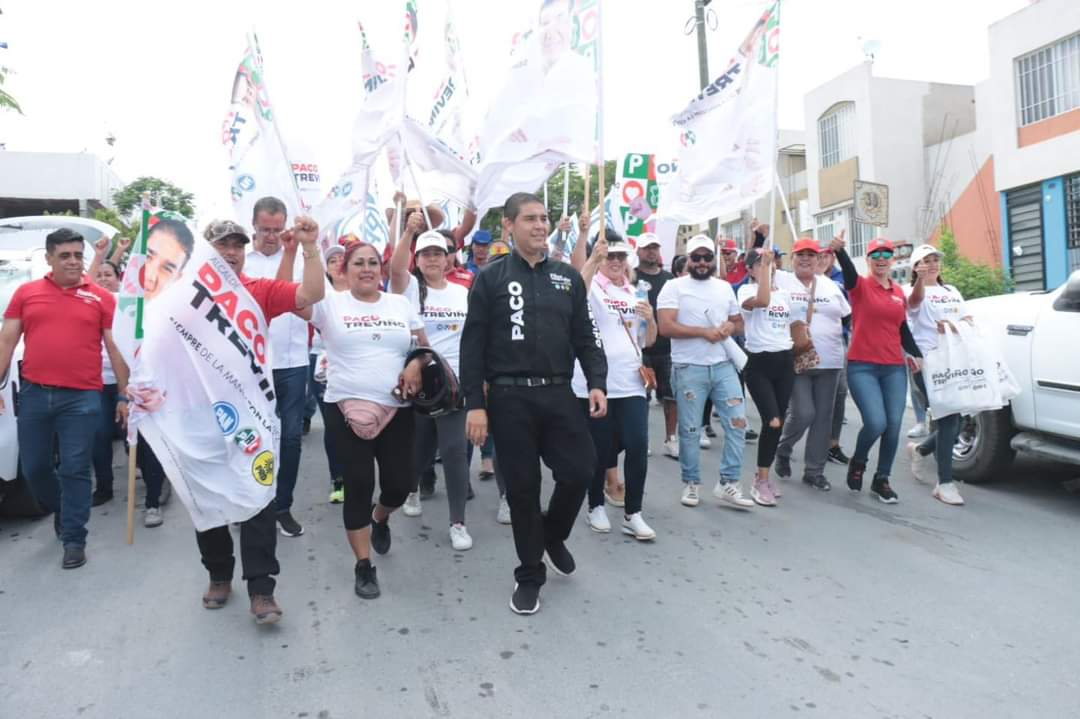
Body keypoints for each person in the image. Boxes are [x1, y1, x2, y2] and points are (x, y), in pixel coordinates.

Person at [461, 191, 607, 615]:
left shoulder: (566, 277)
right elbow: (472, 347)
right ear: (509, 225)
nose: (540, 225)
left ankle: (553, 533)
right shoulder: (488, 278)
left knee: (580, 469)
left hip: (559, 393)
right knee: (523, 489)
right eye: (530, 219)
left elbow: (586, 336)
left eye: (544, 218)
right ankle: (530, 574)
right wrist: (476, 404)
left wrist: (596, 381)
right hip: (508, 398)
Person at [192, 217, 325, 623]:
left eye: (237, 246)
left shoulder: (258, 291)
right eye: (222, 245)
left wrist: (309, 247)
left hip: (251, 417)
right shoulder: (183, 299)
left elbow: (311, 293)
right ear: (206, 251)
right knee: (208, 499)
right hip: (201, 417)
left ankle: (262, 588)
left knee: (258, 497)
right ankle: (218, 573)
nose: (231, 253)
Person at [299, 241, 428, 600]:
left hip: (397, 410)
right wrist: (309, 248)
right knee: (358, 484)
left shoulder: (400, 304)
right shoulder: (328, 304)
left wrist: (416, 364)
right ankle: (363, 565)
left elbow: (424, 349)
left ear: (382, 270)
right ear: (344, 269)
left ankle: (381, 517)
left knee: (399, 486)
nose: (367, 268)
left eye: (373, 262)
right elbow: (297, 299)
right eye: (359, 263)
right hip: (345, 409)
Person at [0, 228, 128, 570]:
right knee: (36, 468)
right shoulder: (26, 294)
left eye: (77, 255)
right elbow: (7, 342)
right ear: (49, 259)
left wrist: (124, 393)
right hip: (35, 395)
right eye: (65, 256)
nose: (73, 262)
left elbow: (115, 347)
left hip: (82, 398)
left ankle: (74, 537)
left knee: (74, 468)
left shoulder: (100, 298)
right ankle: (64, 508)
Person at [390, 229, 474, 550]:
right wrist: (409, 231)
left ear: (448, 257)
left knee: (454, 451)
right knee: (421, 449)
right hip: (419, 381)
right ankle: (412, 489)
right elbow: (396, 269)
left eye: (439, 253)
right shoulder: (409, 288)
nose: (433, 259)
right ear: (418, 259)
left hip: (454, 383)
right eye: (426, 254)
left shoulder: (461, 292)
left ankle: (457, 522)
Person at [657, 234, 751, 510]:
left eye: (706, 257)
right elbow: (666, 327)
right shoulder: (673, 287)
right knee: (689, 429)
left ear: (713, 259)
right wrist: (704, 332)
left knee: (737, 423)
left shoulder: (723, 288)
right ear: (687, 260)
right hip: (688, 368)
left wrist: (728, 329)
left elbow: (738, 321)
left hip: (723, 366)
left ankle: (728, 482)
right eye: (695, 257)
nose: (701, 262)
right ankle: (691, 483)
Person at [574, 230, 657, 540]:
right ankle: (594, 504)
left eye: (622, 256)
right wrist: (591, 259)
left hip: (632, 382)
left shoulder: (635, 292)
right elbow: (575, 295)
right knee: (598, 448)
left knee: (636, 445)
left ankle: (632, 513)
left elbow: (647, 341)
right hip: (597, 383)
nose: (617, 261)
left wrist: (651, 320)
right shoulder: (593, 287)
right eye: (611, 256)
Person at [833, 232, 922, 504]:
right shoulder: (859, 286)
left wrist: (915, 354)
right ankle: (859, 461)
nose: (881, 260)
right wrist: (840, 251)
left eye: (886, 255)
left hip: (893, 367)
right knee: (876, 422)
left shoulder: (898, 292)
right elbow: (848, 273)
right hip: (863, 367)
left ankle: (882, 479)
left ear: (893, 260)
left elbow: (902, 327)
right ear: (869, 260)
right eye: (876, 256)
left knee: (893, 426)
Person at [242, 197, 310, 538]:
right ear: (253, 225)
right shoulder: (240, 260)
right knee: (252, 437)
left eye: (276, 229)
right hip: (251, 365)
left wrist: (295, 251)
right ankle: (250, 505)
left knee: (291, 438)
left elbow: (301, 296)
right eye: (264, 229)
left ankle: (282, 506)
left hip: (293, 360)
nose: (270, 236)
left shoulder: (299, 259)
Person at [773, 238, 852, 491]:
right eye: (800, 254)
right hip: (795, 357)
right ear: (791, 259)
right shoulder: (781, 281)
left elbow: (847, 316)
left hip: (830, 359)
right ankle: (782, 449)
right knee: (804, 412)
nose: (806, 259)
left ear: (820, 259)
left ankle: (814, 471)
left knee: (823, 418)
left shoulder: (831, 286)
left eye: (811, 255)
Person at [904, 244, 970, 506]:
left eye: (935, 260)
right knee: (948, 419)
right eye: (925, 260)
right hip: (928, 362)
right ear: (915, 267)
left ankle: (921, 449)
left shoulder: (951, 290)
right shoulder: (911, 291)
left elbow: (967, 318)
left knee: (960, 420)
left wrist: (960, 326)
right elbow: (911, 310)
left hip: (956, 360)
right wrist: (911, 356)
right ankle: (945, 483)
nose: (932, 264)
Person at [737, 247, 794, 506]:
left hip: (784, 362)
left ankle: (765, 475)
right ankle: (760, 482)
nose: (767, 266)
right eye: (760, 263)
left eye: (770, 262)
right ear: (750, 269)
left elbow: (795, 322)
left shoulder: (785, 295)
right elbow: (762, 302)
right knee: (771, 421)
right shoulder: (747, 291)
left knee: (778, 424)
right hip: (759, 364)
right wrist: (764, 277)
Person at [634, 233, 679, 460]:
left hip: (667, 347)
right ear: (638, 251)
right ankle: (643, 438)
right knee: (641, 395)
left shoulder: (670, 279)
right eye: (646, 248)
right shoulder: (630, 277)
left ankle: (671, 439)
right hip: (639, 348)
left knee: (671, 396)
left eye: (654, 247)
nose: (651, 252)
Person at [315, 244, 347, 504]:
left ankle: (358, 476)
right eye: (332, 260)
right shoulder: (320, 295)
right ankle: (338, 478)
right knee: (334, 424)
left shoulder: (365, 292)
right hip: (322, 364)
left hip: (355, 366)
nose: (337, 263)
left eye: (342, 259)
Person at [90, 251, 123, 507]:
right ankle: (104, 486)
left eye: (108, 275)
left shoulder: (129, 303)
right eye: (98, 275)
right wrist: (100, 255)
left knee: (133, 436)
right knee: (99, 435)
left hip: (127, 382)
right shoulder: (88, 302)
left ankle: (153, 485)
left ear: (119, 278)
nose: (102, 279)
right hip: (97, 382)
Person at [818, 245, 853, 465]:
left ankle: (832, 444)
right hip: (808, 344)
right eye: (819, 255)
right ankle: (787, 441)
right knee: (807, 402)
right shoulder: (804, 278)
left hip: (838, 342)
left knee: (839, 392)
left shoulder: (842, 278)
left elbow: (851, 307)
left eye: (827, 255)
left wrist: (845, 331)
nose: (823, 259)